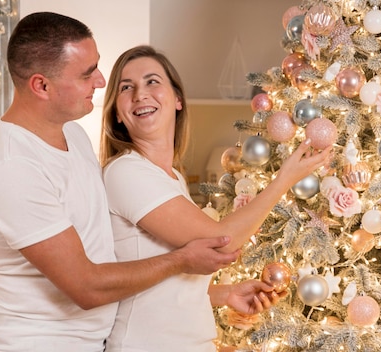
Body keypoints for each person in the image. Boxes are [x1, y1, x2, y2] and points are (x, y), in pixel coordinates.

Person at [0, 13, 242, 352]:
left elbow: (116, 261)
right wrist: (181, 260)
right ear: (41, 86)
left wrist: (218, 294)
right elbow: (86, 287)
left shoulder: (73, 134)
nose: (100, 81)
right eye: (87, 74)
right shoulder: (11, 167)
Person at [99, 45, 333, 352]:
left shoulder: (171, 177)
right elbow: (221, 239)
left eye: (152, 81)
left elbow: (162, 283)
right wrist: (284, 180)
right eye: (126, 88)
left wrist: (226, 294)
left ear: (178, 99)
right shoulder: (126, 171)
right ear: (117, 111)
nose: (140, 94)